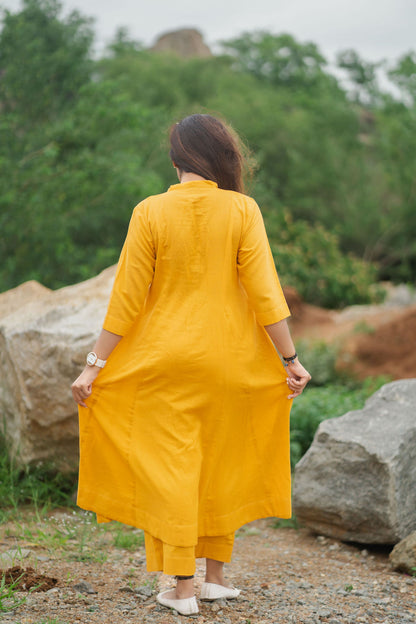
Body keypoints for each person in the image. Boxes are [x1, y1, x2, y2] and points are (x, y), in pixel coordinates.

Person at [71, 113, 311, 616]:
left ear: (177, 156)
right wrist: (290, 360)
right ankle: (216, 578)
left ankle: (182, 589)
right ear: (222, 156)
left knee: (174, 466)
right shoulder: (243, 209)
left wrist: (94, 364)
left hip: (165, 362)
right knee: (221, 455)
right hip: (232, 361)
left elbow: (127, 299)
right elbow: (266, 294)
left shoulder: (150, 211)